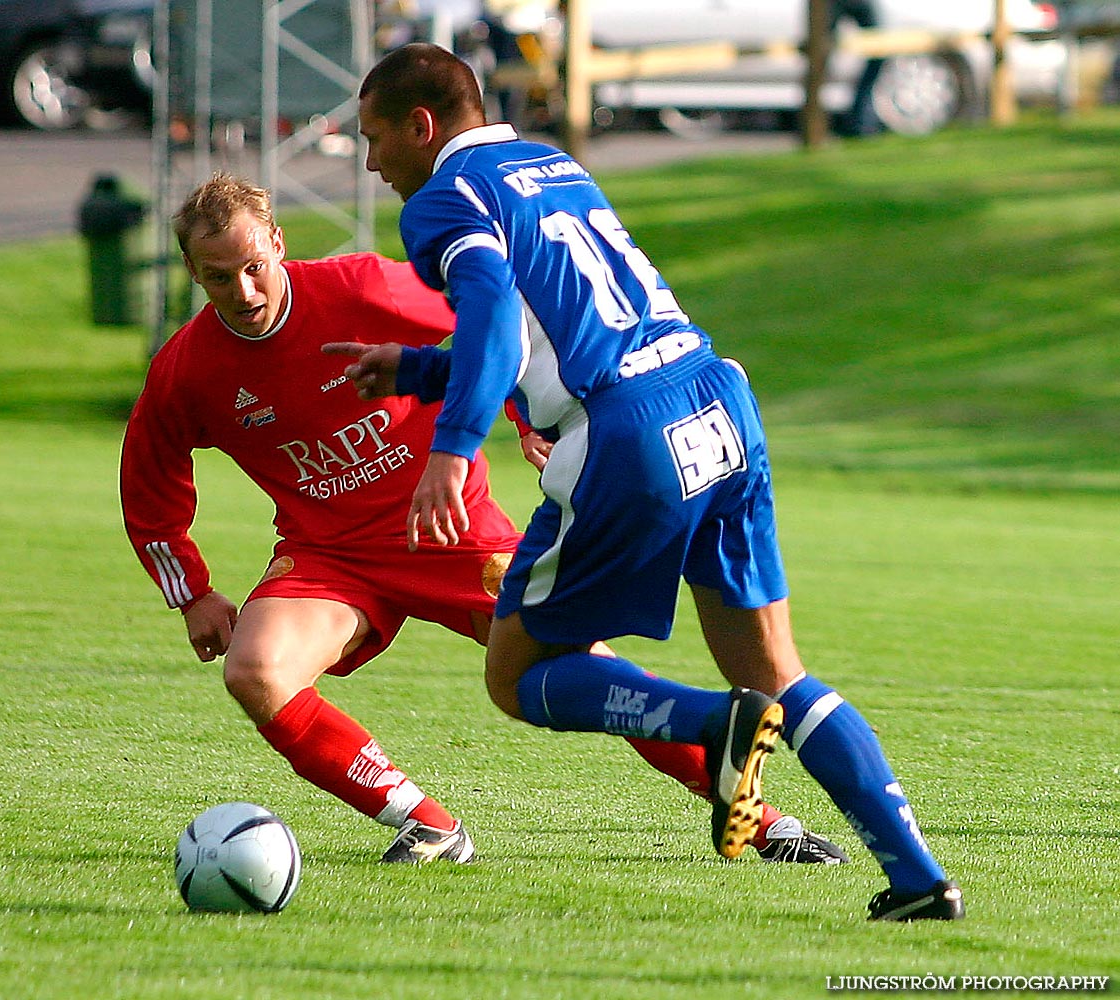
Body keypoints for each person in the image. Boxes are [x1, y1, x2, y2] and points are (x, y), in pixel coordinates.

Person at [336, 42, 963, 919]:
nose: (371, 162)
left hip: (624, 431)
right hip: (715, 398)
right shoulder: (549, 163)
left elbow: (491, 317)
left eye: (373, 139)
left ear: (422, 126)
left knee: (517, 675)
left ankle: (715, 724)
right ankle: (918, 879)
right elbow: (553, 323)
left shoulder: (444, 198)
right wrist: (417, 369)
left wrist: (452, 446)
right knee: (777, 668)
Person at [120, 171, 843, 867]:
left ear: (275, 240)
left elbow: (496, 324)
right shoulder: (188, 369)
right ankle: (425, 824)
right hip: (328, 556)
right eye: (219, 278)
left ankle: (763, 822)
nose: (242, 291)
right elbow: (148, 480)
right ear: (193, 273)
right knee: (255, 671)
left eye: (251, 266)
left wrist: (532, 412)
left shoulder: (358, 287)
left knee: (580, 670)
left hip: (452, 532)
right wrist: (192, 591)